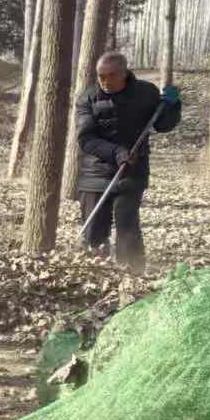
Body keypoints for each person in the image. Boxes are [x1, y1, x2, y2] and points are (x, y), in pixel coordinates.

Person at [74, 52, 180, 273]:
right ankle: (96, 274)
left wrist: (172, 105)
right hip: (95, 173)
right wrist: (117, 152)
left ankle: (133, 272)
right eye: (100, 76)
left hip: (132, 171)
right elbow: (86, 138)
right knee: (94, 231)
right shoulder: (88, 98)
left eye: (111, 75)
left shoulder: (146, 92)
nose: (105, 81)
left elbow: (162, 124)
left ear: (124, 73)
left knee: (127, 226)